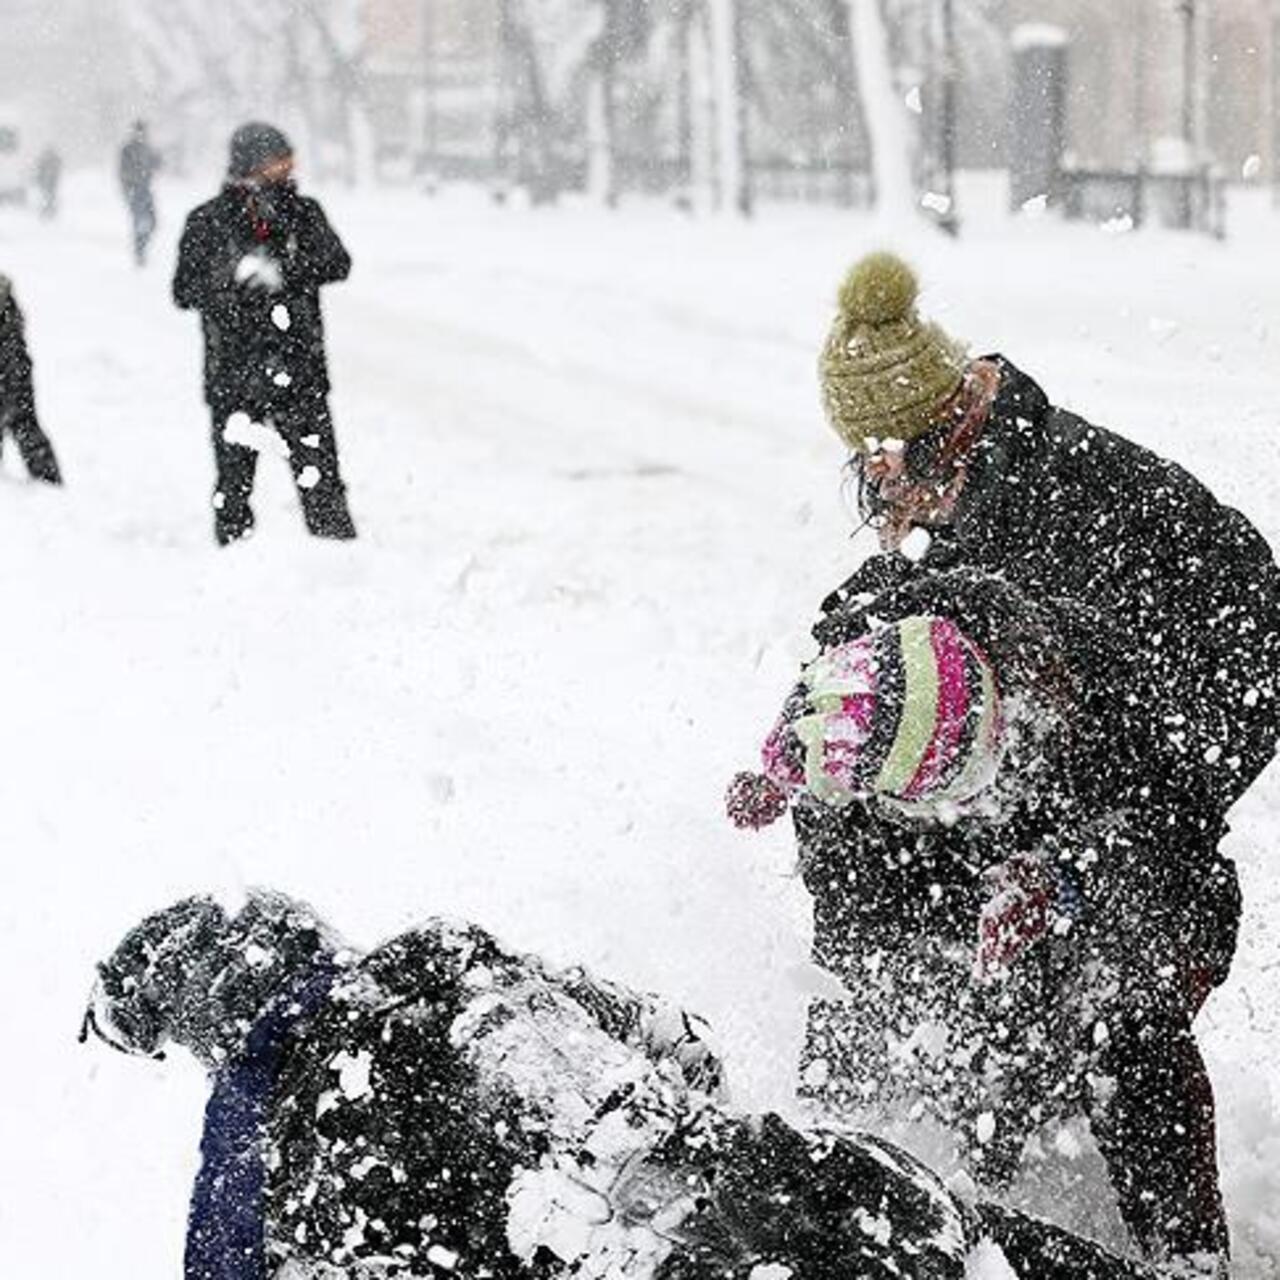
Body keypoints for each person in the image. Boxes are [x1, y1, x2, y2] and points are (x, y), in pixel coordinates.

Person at [732, 252, 1280, 1276]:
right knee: (928, 965)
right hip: (1039, 744)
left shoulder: (1069, 517)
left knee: (1109, 995)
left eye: (878, 462)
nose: (874, 488)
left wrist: (1065, 867)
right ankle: (951, 1174)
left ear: (937, 430)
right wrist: (801, 752)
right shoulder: (953, 512)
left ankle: (1184, 1254)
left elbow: (1169, 763)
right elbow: (868, 658)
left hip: (1177, 735)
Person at [83, 889, 1158, 1280]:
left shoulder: (288, 1183)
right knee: (966, 1237)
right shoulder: (450, 957)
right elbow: (680, 1043)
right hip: (821, 1187)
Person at [173, 122, 357, 546]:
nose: (288, 167)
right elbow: (184, 290)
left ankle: (341, 567)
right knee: (234, 487)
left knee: (322, 483)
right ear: (250, 163)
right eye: (278, 158)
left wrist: (283, 273)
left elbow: (337, 262)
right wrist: (231, 279)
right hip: (233, 376)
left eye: (289, 157)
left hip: (300, 371)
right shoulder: (207, 220)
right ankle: (236, 569)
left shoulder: (304, 213)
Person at [0, 274, 62, 484]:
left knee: (22, 420)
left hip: (11, 363)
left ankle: (49, 484)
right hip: (13, 360)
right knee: (23, 420)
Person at [118, 121, 161, 265]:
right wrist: (128, 188)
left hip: (145, 190)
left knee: (153, 222)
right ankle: (139, 252)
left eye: (143, 131)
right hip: (134, 190)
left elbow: (157, 165)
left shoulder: (147, 148)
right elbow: (123, 172)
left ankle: (141, 249)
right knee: (140, 221)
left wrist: (157, 160)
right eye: (139, 131)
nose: (141, 134)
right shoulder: (128, 149)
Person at [34, 146, 62, 220]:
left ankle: (47, 211)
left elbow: (39, 170)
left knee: (47, 196)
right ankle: (49, 211)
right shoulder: (53, 160)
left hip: (48, 182)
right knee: (49, 196)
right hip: (49, 182)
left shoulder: (45, 160)